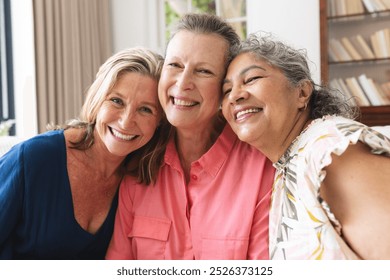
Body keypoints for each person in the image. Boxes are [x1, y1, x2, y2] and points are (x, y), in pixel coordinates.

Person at [105, 13, 275, 260]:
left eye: (203, 71)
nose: (183, 83)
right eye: (174, 65)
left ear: (225, 88)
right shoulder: (138, 161)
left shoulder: (261, 169)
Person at [221, 32, 390, 260]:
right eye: (226, 91)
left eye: (251, 79)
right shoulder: (290, 163)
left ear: (302, 93)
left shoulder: (330, 148)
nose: (235, 96)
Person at [0, 47, 167, 259]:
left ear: (160, 122)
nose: (126, 121)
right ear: (97, 101)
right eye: (116, 101)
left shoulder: (143, 181)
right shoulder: (33, 158)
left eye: (145, 109)